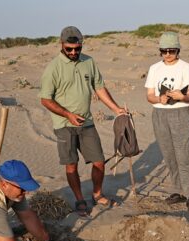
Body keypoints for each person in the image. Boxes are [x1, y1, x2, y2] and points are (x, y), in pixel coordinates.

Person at [39, 26, 128, 217]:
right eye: (69, 49)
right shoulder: (53, 67)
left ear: (81, 45)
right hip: (64, 125)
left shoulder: (89, 61)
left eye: (77, 48)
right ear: (61, 45)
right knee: (71, 165)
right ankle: (80, 199)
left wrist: (116, 109)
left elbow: (99, 87)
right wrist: (67, 114)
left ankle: (97, 194)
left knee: (99, 162)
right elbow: (45, 99)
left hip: (86, 123)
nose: (73, 52)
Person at [144, 32, 189, 212]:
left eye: (172, 51)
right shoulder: (154, 69)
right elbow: (149, 96)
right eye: (164, 51)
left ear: (178, 50)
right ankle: (177, 190)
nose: (167, 54)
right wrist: (159, 99)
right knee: (169, 155)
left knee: (183, 155)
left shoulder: (186, 67)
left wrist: (181, 96)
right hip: (160, 115)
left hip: (180, 113)